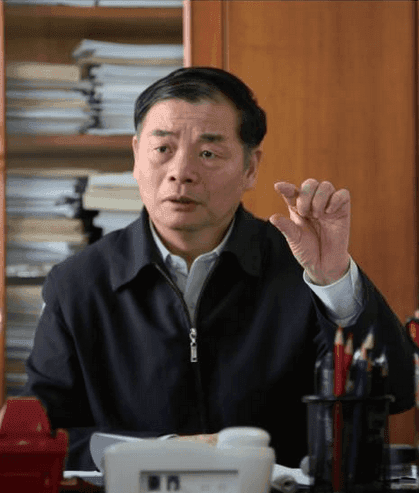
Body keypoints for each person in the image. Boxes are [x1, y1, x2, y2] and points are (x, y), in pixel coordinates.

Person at [19, 67, 413, 470]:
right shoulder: (78, 284)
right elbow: (41, 436)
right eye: (163, 148)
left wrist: (333, 280)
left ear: (250, 168)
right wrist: (161, 454)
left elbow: (396, 395)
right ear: (136, 156)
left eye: (208, 153)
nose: (181, 172)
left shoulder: (301, 267)